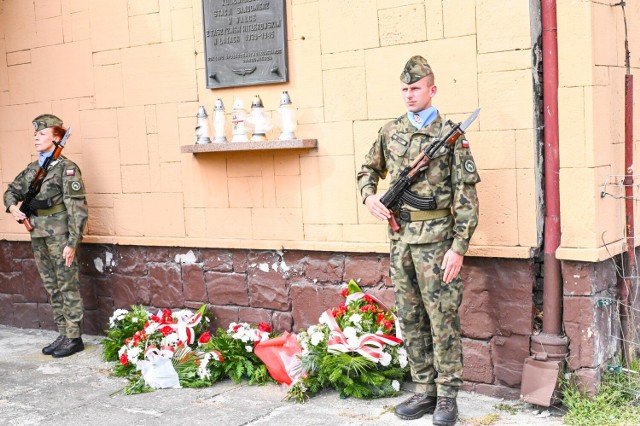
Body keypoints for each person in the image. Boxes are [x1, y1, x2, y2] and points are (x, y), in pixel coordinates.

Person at [357, 56, 480, 426]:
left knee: (441, 319)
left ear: (432, 90)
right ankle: (424, 390)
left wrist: (459, 247)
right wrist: (370, 196)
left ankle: (447, 397)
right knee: (410, 318)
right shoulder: (390, 131)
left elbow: (467, 197)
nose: (410, 95)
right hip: (400, 242)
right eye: (405, 89)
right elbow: (367, 170)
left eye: (416, 88)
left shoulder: (452, 136)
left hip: (438, 244)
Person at [4, 114, 89, 358]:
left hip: (60, 235)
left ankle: (74, 337)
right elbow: (11, 192)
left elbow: (78, 209)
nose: (36, 138)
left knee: (67, 284)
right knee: (52, 286)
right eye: (35, 134)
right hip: (38, 234)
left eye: (42, 134)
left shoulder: (68, 169)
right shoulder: (34, 169)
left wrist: (73, 243)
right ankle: (63, 332)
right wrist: (14, 210)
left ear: (57, 138)